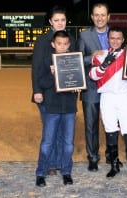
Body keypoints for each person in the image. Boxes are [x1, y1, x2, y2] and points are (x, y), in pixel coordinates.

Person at [89, 26, 127, 181]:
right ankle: (114, 165)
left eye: (119, 38)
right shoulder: (100, 55)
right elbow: (92, 75)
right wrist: (105, 64)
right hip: (107, 97)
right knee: (111, 131)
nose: (115, 41)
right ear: (108, 39)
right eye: (112, 38)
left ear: (123, 40)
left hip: (124, 96)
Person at [77, 3, 123, 171]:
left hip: (113, 88)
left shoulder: (116, 34)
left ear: (108, 16)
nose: (99, 18)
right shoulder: (84, 36)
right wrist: (92, 57)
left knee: (113, 124)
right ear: (92, 16)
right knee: (91, 124)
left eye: (103, 15)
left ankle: (112, 155)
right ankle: (93, 157)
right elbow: (79, 60)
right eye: (96, 15)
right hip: (91, 87)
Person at [31, 5, 76, 176]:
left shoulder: (70, 39)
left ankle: (57, 163)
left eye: (62, 20)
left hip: (65, 95)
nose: (59, 23)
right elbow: (36, 68)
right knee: (50, 131)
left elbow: (75, 66)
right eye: (56, 20)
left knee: (61, 132)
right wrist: (37, 91)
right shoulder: (42, 41)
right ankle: (49, 163)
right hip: (46, 92)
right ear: (50, 21)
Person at [35, 30, 79, 187]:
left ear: (69, 44)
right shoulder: (47, 61)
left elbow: (79, 82)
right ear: (53, 44)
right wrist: (52, 74)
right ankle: (41, 172)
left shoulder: (74, 61)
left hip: (69, 108)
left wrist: (78, 86)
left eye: (65, 44)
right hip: (52, 107)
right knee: (47, 141)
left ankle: (66, 172)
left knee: (68, 143)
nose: (62, 46)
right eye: (59, 43)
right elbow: (42, 83)